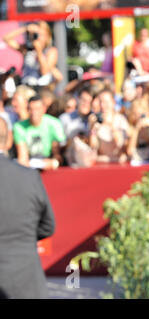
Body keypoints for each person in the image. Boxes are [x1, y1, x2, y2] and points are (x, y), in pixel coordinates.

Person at [0, 116, 55, 298]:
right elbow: (48, 226)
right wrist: (23, 239)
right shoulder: (29, 177)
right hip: (27, 280)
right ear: (9, 139)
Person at [13, 95, 66, 170]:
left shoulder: (54, 123)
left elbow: (57, 154)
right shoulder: (19, 127)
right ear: (27, 110)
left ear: (44, 109)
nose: (34, 113)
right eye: (31, 109)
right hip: (29, 165)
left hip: (49, 162)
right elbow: (22, 156)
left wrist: (53, 162)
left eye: (37, 109)